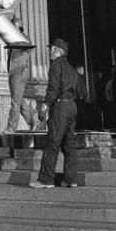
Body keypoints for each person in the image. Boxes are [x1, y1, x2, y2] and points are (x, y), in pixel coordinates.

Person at [29, 38, 86, 189]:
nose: (49, 52)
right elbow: (82, 91)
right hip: (72, 106)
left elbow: (53, 87)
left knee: (52, 143)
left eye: (51, 49)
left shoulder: (56, 65)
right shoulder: (71, 68)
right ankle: (70, 179)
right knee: (69, 145)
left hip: (60, 106)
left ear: (57, 51)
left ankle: (45, 180)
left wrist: (45, 105)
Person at [3, 14, 35, 134]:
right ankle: (33, 119)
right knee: (18, 100)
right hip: (13, 72)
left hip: (20, 72)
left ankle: (11, 128)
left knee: (15, 102)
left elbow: (29, 48)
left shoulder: (23, 38)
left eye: (13, 27)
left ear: (18, 27)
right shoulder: (13, 38)